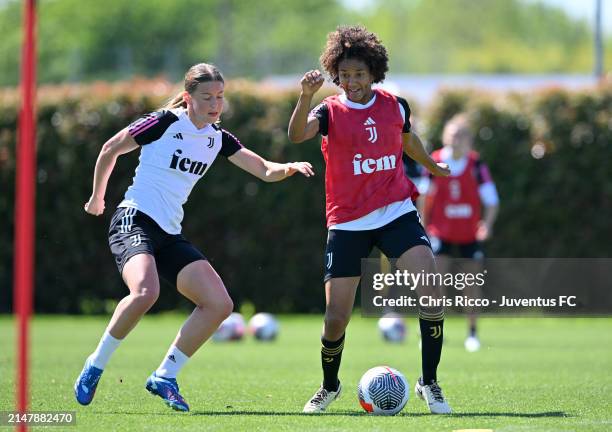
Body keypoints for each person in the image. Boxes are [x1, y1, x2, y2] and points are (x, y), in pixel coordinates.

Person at [74, 62, 314, 412]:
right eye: (207, 97)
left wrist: (288, 168)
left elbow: (262, 168)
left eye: (220, 97)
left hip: (169, 232)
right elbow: (111, 147)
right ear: (188, 98)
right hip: (134, 219)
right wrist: (98, 196)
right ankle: (94, 365)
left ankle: (165, 376)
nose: (215, 104)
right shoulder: (165, 122)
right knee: (145, 292)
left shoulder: (217, 138)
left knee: (220, 304)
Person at [288, 25, 452, 414]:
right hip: (346, 222)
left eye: (359, 74)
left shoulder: (395, 105)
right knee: (335, 319)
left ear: (374, 72)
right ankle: (329, 386)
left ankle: (429, 383)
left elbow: (407, 139)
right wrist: (304, 96)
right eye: (344, 75)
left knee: (431, 291)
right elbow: (297, 136)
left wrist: (431, 165)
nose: (351, 82)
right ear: (335, 75)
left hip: (396, 211)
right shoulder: (328, 110)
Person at [418, 113, 499, 352]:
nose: (457, 140)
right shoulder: (434, 161)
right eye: (453, 135)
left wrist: (487, 224)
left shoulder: (476, 165)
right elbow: (423, 195)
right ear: (446, 137)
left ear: (469, 141)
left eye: (462, 136)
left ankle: (472, 334)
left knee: (470, 286)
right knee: (435, 283)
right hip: (440, 233)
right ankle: (433, 333)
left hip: (468, 234)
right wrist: (422, 223)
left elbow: (492, 200)